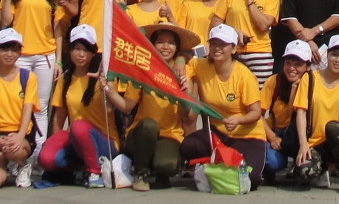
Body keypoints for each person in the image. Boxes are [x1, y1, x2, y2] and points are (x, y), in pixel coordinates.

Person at [179, 24, 267, 189]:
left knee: (250, 178)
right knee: (188, 146)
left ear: (233, 49)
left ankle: (218, 167)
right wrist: (180, 61)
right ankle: (216, 164)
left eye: (223, 44)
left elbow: (255, 113)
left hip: (247, 136)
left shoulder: (244, 75)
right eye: (214, 44)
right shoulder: (202, 66)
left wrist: (239, 120)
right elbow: (187, 60)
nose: (217, 48)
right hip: (218, 134)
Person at [114, 22, 199, 190]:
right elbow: (127, 107)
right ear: (153, 44)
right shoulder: (144, 67)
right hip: (142, 133)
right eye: (160, 42)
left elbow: (186, 116)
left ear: (177, 48)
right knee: (149, 125)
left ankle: (159, 170)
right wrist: (109, 91)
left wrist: (182, 95)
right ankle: (141, 173)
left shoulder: (184, 71)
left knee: (167, 165)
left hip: (170, 135)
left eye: (171, 43)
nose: (165, 47)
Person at [38, 24, 117, 187]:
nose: (81, 54)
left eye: (86, 50)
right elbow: (59, 117)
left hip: (104, 141)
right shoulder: (66, 78)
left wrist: (105, 87)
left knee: (79, 127)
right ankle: (79, 167)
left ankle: (94, 174)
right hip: (75, 139)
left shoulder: (104, 77)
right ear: (70, 50)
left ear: (93, 52)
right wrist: (54, 142)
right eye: (77, 49)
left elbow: (109, 109)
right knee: (46, 158)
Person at [0, 0, 58, 154]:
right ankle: (18, 150)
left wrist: (58, 59)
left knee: (41, 106)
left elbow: (58, 28)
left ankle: (38, 152)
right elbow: (6, 20)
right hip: (19, 55)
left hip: (45, 55)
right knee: (19, 105)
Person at [293, 34, 339, 192]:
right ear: (327, 55)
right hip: (316, 141)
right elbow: (301, 113)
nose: (338, 60)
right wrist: (303, 143)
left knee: (332, 127)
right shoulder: (309, 78)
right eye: (335, 55)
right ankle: (324, 169)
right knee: (304, 172)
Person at [0, 28, 37, 189]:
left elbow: (27, 109)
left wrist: (19, 136)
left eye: (14, 49)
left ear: (19, 53)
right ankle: (7, 164)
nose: (9, 54)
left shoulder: (27, 77)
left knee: (13, 149)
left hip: (21, 134)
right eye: (4, 49)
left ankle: (22, 163)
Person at [215, 0, 280, 85]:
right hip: (233, 52)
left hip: (260, 54)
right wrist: (234, 32)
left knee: (259, 96)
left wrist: (250, 0)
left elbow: (263, 25)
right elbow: (215, 23)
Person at [261, 39, 312, 185]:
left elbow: (294, 114)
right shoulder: (274, 82)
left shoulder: (312, 84)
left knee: (307, 169)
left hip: (301, 134)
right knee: (273, 163)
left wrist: (296, 87)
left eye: (298, 64)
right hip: (277, 132)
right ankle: (268, 169)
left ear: (308, 66)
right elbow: (258, 115)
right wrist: (272, 137)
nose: (292, 68)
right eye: (288, 63)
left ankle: (298, 165)